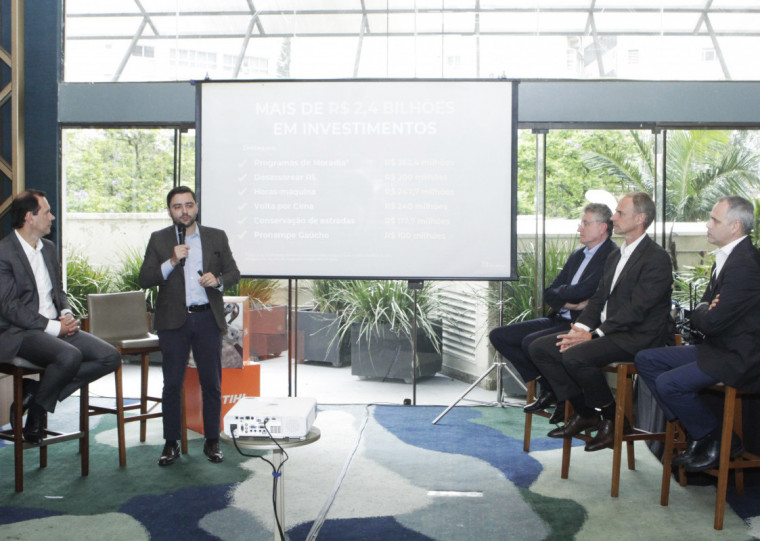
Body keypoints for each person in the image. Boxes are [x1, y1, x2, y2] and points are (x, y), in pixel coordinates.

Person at [528, 192, 673, 451]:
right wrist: (580, 328)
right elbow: (597, 300)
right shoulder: (615, 256)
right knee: (541, 347)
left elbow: (637, 309)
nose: (614, 217)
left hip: (637, 336)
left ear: (640, 218)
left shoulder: (657, 258)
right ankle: (586, 411)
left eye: (620, 213)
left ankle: (611, 418)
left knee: (575, 356)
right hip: (609, 332)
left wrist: (595, 335)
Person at [635, 196, 760, 472]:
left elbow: (711, 321)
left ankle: (711, 437)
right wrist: (705, 310)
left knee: (669, 384)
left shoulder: (746, 265)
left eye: (715, 220)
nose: (707, 224)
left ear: (735, 226)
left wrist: (704, 311)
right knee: (646, 360)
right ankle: (698, 431)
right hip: (717, 348)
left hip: (738, 357)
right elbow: (703, 309)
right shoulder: (726, 257)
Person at [0, 189, 120, 444]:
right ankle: (38, 411)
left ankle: (36, 399)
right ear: (29, 217)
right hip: (19, 332)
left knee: (110, 356)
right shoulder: (4, 252)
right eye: (47, 212)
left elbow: (58, 290)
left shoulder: (48, 248)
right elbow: (9, 306)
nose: (52, 217)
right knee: (69, 355)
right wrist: (53, 327)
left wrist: (65, 312)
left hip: (54, 325)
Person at [139, 186, 240, 466]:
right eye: (177, 206)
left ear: (196, 207)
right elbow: (145, 278)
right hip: (174, 322)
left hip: (207, 318)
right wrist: (172, 261)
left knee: (212, 383)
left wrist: (217, 281)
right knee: (172, 384)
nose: (184, 211)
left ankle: (212, 441)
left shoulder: (215, 236)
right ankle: (171, 443)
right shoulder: (159, 239)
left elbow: (234, 272)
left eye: (188, 205)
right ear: (170, 211)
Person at [489, 203, 617, 423]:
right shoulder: (579, 255)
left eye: (585, 223)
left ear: (603, 227)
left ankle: (567, 400)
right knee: (499, 335)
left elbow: (585, 291)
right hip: (559, 317)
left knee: (532, 343)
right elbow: (549, 292)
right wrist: (571, 301)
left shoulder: (611, 256)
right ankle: (550, 389)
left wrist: (568, 298)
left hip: (581, 325)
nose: (580, 228)